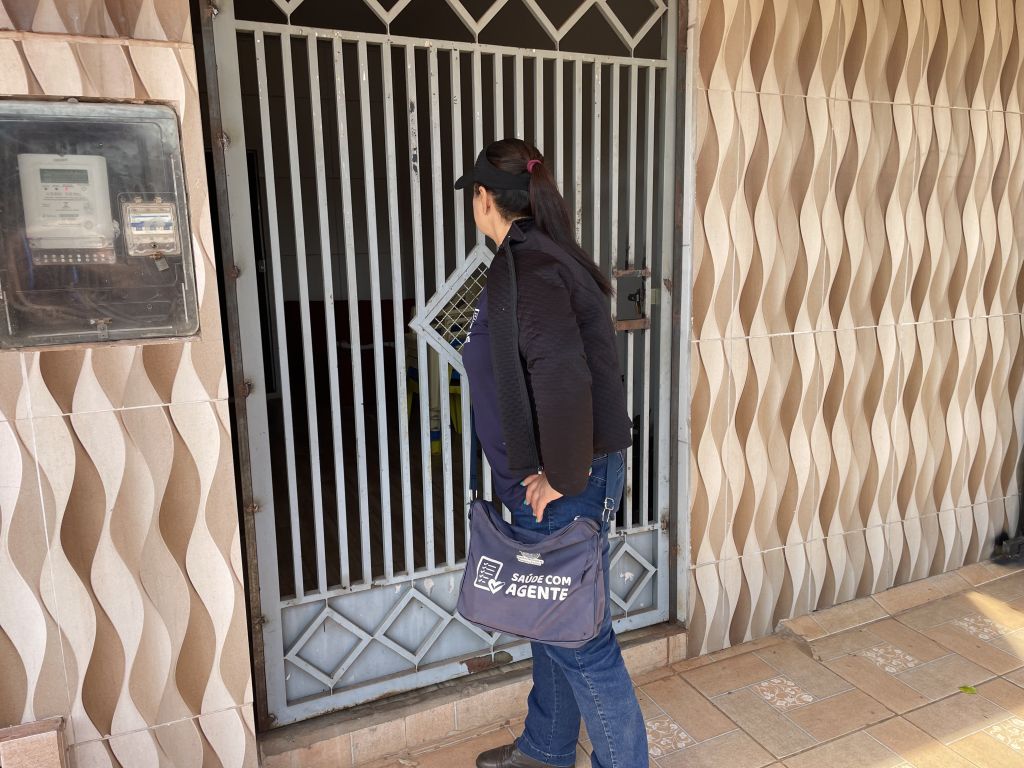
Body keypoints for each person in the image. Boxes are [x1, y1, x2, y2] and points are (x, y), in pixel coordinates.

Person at [455, 139, 648, 768]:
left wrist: (558, 477)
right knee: (552, 618)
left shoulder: (532, 267)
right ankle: (545, 749)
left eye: (474, 196)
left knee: (583, 643)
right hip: (558, 472)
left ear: (484, 198)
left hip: (563, 479)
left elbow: (562, 375)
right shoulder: (542, 256)